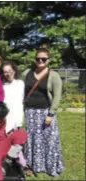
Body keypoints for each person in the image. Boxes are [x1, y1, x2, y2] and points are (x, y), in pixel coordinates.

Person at [22, 47, 64, 176]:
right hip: (30, 113)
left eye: (43, 59)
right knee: (32, 140)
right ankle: (32, 165)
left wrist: (51, 113)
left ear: (48, 60)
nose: (40, 61)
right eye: (38, 58)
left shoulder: (54, 76)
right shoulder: (27, 73)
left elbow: (57, 96)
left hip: (46, 112)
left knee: (49, 140)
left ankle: (51, 166)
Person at [0, 61, 25, 133]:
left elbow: (23, 99)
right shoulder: (2, 86)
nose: (8, 74)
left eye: (10, 71)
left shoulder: (20, 83)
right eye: (5, 72)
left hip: (18, 118)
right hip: (6, 119)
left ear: (14, 70)